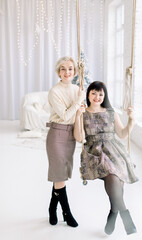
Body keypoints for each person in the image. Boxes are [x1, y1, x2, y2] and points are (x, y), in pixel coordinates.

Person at [74, 81, 138, 235]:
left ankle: (113, 212)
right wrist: (77, 116)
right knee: (111, 174)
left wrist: (131, 120)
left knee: (117, 180)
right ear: (88, 94)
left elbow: (122, 134)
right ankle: (125, 215)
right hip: (96, 152)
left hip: (115, 150)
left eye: (100, 94)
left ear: (104, 96)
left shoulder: (110, 112)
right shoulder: (83, 113)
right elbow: (79, 137)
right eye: (94, 93)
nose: (97, 97)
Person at [46, 56, 85, 227]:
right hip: (57, 135)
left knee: (60, 175)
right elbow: (65, 115)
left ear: (75, 72)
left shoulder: (78, 89)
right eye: (63, 68)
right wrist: (78, 102)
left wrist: (81, 107)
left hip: (71, 136)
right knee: (59, 174)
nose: (67, 72)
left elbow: (76, 115)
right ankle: (67, 213)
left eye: (70, 68)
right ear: (58, 72)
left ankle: (51, 208)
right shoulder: (54, 91)